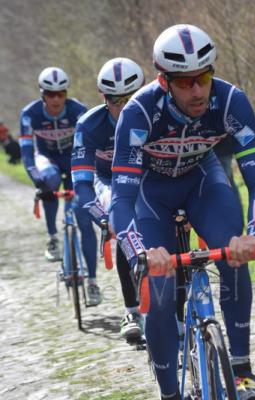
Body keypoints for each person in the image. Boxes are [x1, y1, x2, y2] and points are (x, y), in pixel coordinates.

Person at [110, 24, 255, 400]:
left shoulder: (232, 101)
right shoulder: (138, 113)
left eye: (203, 77)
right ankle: (170, 393)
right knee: (163, 289)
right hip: (151, 193)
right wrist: (140, 253)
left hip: (203, 181)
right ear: (164, 81)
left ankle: (244, 372)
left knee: (234, 256)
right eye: (185, 82)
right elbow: (121, 199)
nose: (198, 90)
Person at [71, 57, 146, 340]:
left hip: (150, 177)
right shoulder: (88, 125)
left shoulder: (158, 113)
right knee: (119, 216)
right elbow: (82, 185)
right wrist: (104, 219)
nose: (124, 106)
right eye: (116, 100)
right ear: (104, 98)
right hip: (109, 180)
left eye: (132, 97)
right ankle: (132, 310)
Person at [19, 67, 101, 306]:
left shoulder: (79, 111)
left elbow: (91, 148)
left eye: (60, 93)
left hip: (74, 159)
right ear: (42, 94)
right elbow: (26, 153)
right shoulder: (29, 114)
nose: (56, 99)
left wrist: (90, 182)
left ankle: (93, 282)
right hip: (48, 160)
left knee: (84, 218)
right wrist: (38, 183)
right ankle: (53, 236)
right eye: (50, 94)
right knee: (50, 180)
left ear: (66, 93)